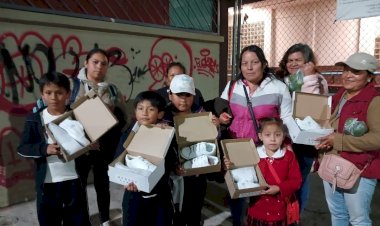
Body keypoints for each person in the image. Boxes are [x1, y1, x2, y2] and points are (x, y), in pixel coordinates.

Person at [218, 45, 293, 226]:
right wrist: (222, 116)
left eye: (254, 62)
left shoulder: (279, 88)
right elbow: (221, 106)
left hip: (264, 150)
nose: (249, 67)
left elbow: (287, 119)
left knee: (262, 196)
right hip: (237, 148)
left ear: (264, 64)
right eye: (244, 63)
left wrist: (287, 146)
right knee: (237, 194)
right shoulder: (233, 85)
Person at [17, 71, 91, 226]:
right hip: (48, 183)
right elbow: (23, 148)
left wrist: (91, 146)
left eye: (59, 93)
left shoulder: (77, 116)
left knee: (78, 221)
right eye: (48, 93)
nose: (53, 97)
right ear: (42, 95)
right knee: (49, 221)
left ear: (68, 94)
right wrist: (45, 149)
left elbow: (88, 142)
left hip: (74, 181)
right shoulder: (35, 119)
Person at [316, 52, 380, 226]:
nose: (347, 75)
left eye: (356, 72)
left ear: (369, 77)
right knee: (337, 215)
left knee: (359, 220)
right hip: (331, 165)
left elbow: (377, 138)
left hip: (359, 170)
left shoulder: (374, 101)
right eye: (345, 70)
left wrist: (339, 140)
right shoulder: (341, 95)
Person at [75, 48, 128, 225]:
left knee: (102, 184)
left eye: (103, 63)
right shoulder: (74, 86)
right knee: (79, 185)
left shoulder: (112, 90)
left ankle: (105, 219)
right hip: (80, 146)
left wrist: (114, 115)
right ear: (86, 63)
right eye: (95, 62)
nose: (99, 66)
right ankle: (83, 219)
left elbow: (123, 118)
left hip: (104, 146)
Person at [276, 43, 329, 213]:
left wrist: (308, 77)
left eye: (298, 60)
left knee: (299, 180)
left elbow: (311, 107)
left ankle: (295, 215)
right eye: (290, 60)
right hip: (285, 138)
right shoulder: (286, 80)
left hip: (304, 141)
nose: (293, 63)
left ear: (308, 62)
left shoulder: (316, 80)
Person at [163, 74, 218, 226]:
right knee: (175, 214)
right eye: (179, 95)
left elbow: (210, 144)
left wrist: (215, 128)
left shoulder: (202, 115)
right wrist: (173, 167)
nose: (183, 99)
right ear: (170, 95)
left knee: (194, 211)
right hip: (174, 178)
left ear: (194, 96)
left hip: (197, 176)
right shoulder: (163, 118)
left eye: (188, 95)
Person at [224, 117, 302, 225]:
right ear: (260, 136)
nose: (273, 139)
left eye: (277, 135)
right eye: (268, 135)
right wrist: (230, 165)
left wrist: (279, 188)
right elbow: (241, 173)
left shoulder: (288, 156)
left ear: (283, 136)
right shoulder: (253, 154)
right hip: (256, 210)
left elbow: (296, 181)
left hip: (279, 213)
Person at [114, 91, 175, 226]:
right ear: (135, 111)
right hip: (133, 195)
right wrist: (124, 179)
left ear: (160, 114)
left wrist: (162, 135)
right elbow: (118, 160)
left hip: (159, 196)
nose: (145, 113)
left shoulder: (165, 134)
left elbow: (170, 163)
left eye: (151, 109)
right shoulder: (128, 135)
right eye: (140, 108)